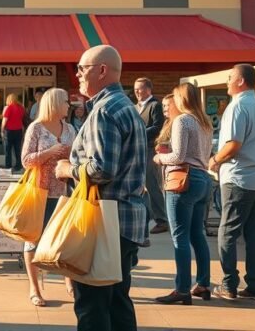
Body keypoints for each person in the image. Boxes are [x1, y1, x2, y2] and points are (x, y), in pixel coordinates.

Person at [56, 45, 147, 331]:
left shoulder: (104, 111)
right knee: (117, 301)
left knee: (92, 305)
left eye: (82, 68)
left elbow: (102, 168)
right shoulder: (126, 107)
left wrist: (67, 169)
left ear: (102, 70)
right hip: (124, 220)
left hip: (103, 222)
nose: (78, 75)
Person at [208, 63, 255, 302]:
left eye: (230, 77)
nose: (226, 81)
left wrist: (214, 159)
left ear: (241, 81)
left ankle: (229, 284)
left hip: (239, 177)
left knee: (227, 233)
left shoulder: (238, 106)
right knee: (252, 233)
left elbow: (234, 144)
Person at [153, 84, 215, 305]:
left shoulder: (182, 121)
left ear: (181, 99)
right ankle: (204, 284)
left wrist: (160, 158)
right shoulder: (204, 122)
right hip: (202, 179)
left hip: (183, 180)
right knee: (197, 234)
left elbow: (178, 155)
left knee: (179, 237)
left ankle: (181, 289)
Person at [21, 87, 76, 307]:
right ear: (54, 103)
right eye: (65, 101)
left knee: (65, 239)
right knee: (33, 240)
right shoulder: (36, 128)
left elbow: (78, 157)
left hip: (65, 192)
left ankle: (69, 281)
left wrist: (70, 155)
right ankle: (35, 288)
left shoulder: (70, 128)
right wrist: (50, 152)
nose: (68, 105)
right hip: (39, 192)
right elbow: (25, 160)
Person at [135, 77, 168, 241]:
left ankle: (161, 220)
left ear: (148, 89)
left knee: (151, 184)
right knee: (141, 185)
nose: (136, 92)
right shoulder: (136, 107)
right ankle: (148, 216)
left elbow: (157, 127)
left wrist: (138, 132)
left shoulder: (155, 105)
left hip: (149, 150)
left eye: (139, 89)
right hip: (138, 150)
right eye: (135, 89)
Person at [0, 93, 26, 171]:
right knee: (17, 149)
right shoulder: (21, 108)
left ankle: (8, 166)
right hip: (19, 131)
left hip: (9, 131)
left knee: (8, 150)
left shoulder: (9, 108)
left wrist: (1, 130)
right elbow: (21, 119)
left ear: (9, 99)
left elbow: (5, 120)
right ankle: (18, 166)